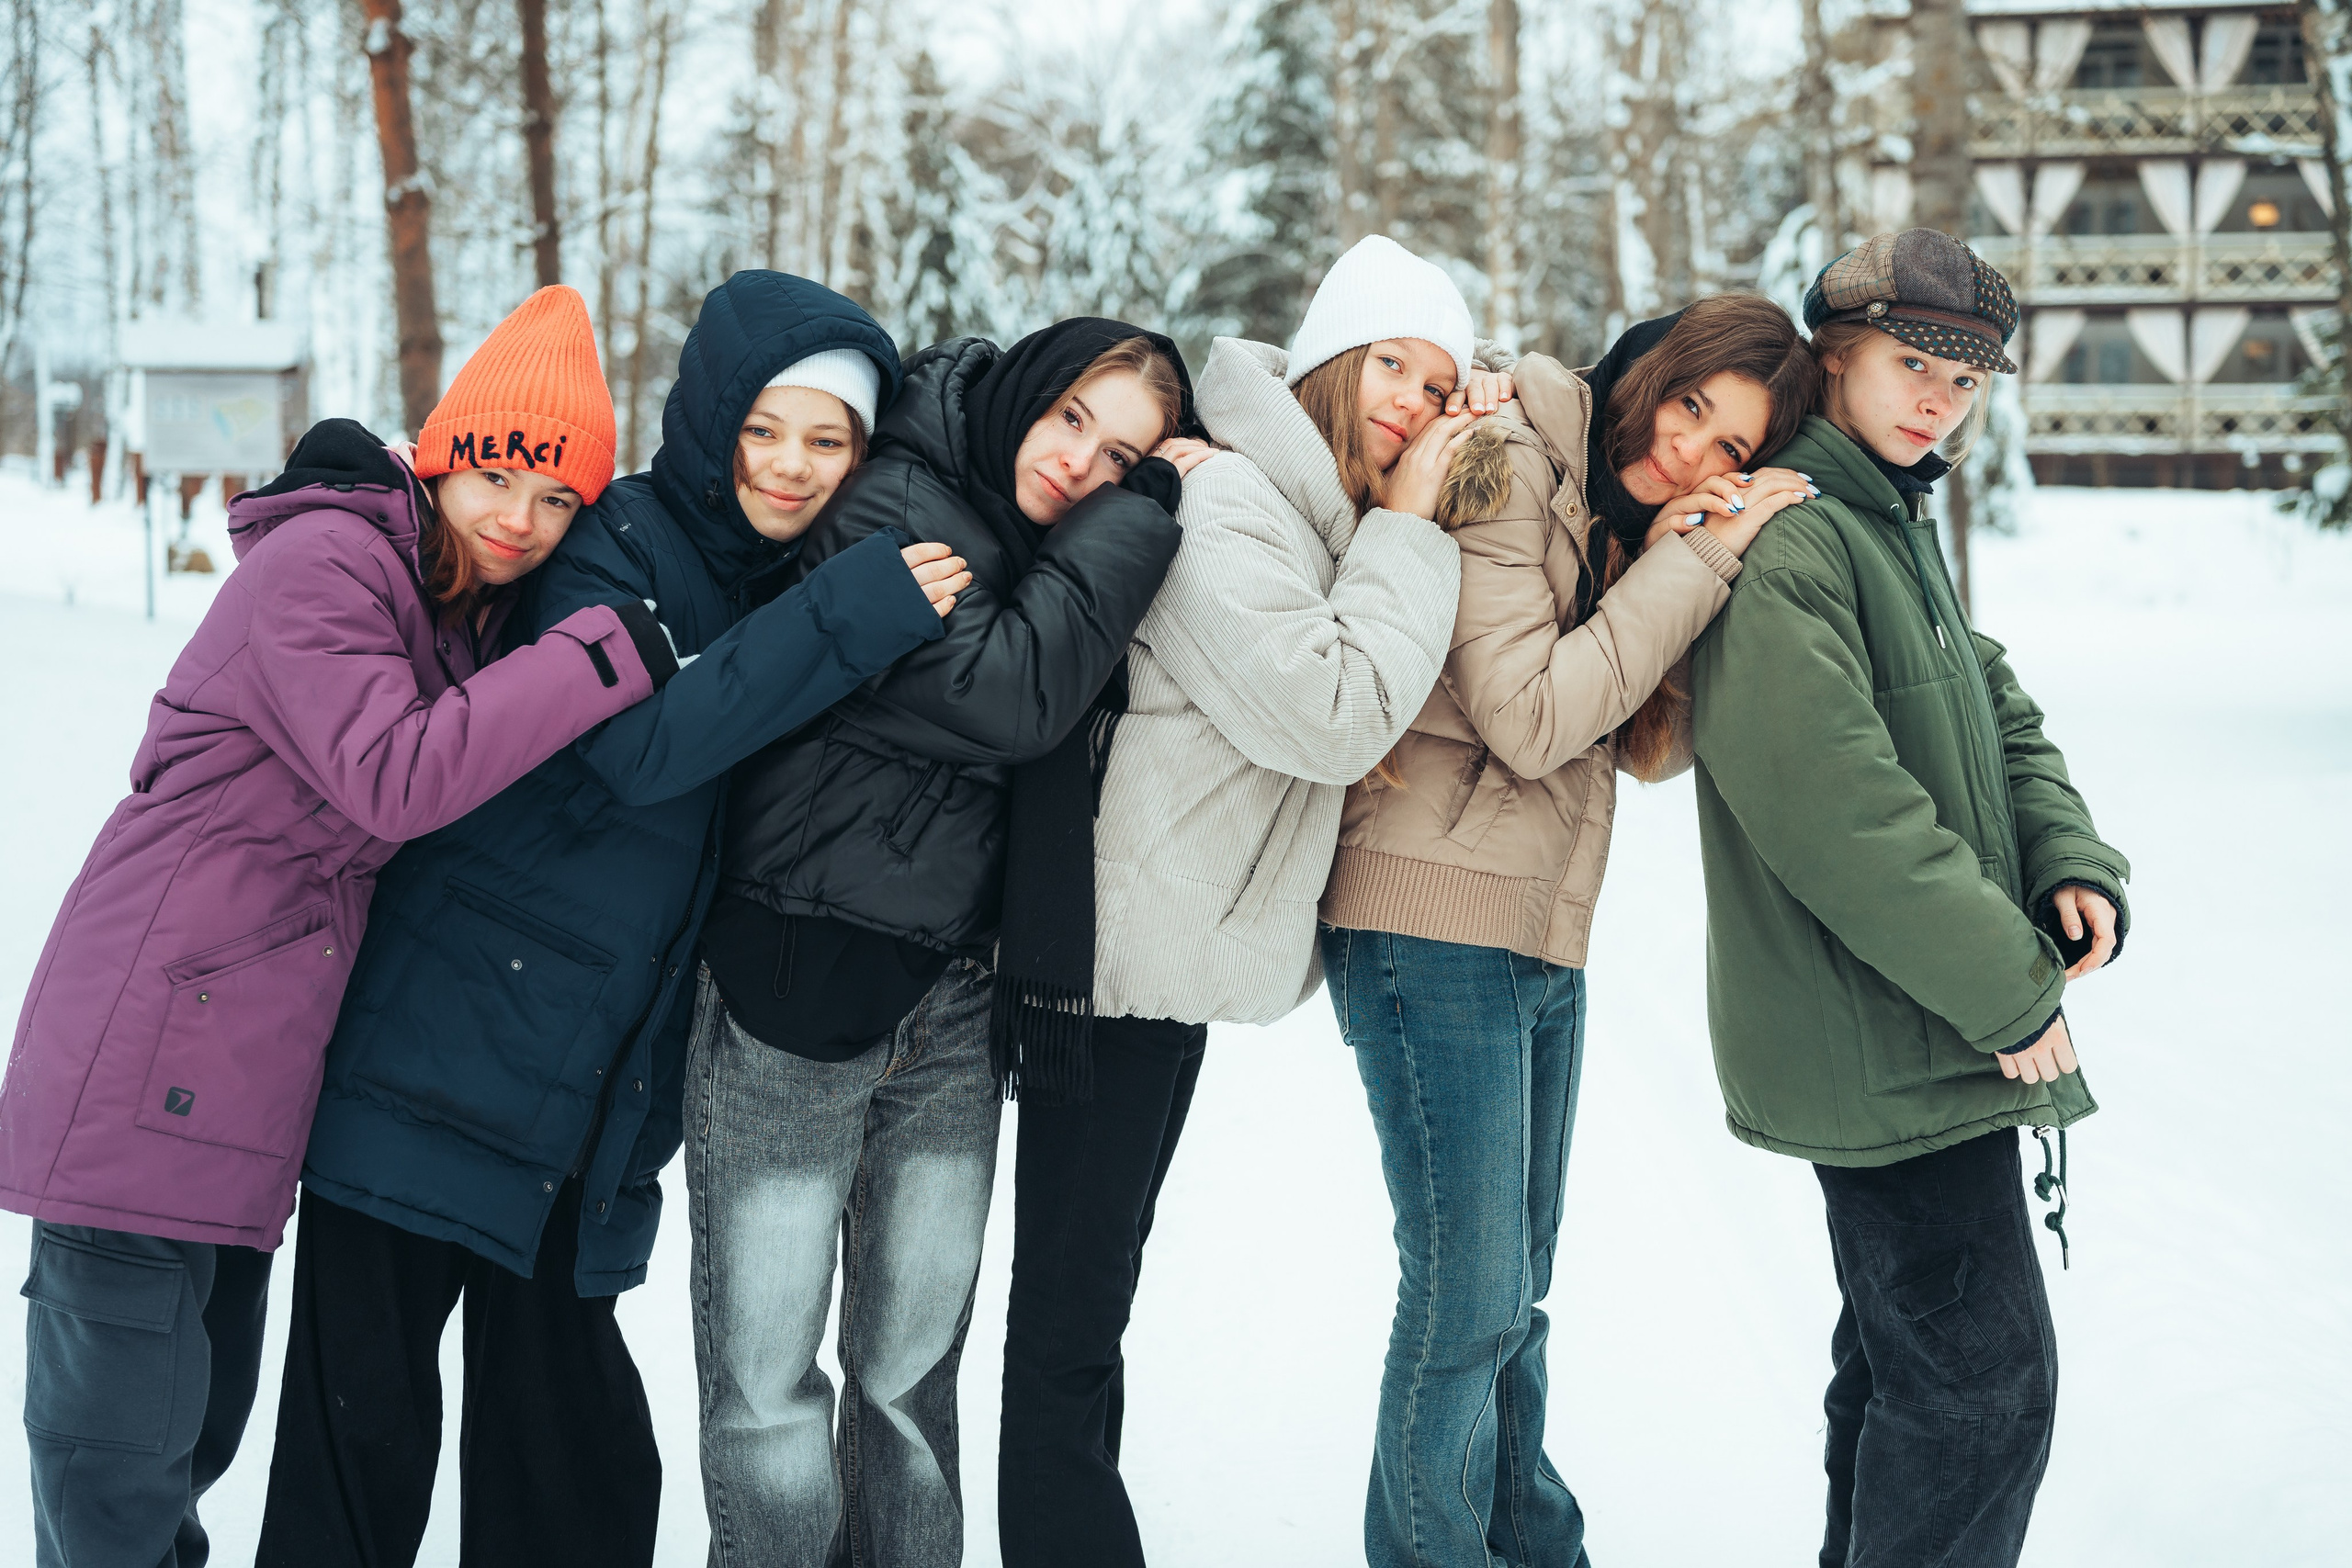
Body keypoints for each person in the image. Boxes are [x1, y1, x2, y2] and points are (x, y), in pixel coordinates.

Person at [254, 272, 963, 1568]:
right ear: (709, 420)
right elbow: (639, 748)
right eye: (765, 429)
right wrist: (845, 615)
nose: (793, 467)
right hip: (435, 1062)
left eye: (830, 440)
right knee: (357, 1460)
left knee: (569, 1473)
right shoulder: (615, 542)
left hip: (582, 1112)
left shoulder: (787, 577)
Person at [1, 285, 674, 1568]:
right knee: (116, 1482)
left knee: (185, 1448)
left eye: (556, 502)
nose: (520, 523)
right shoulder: (328, 565)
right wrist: (595, 658)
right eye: (497, 477)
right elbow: (393, 775)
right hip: (147, 1060)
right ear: (442, 454)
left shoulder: (445, 611)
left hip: (240, 1092)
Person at [992, 235, 1498, 1566]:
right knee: (1067, 1324)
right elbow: (1330, 711)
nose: (1412, 400)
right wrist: (1409, 525)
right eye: (1392, 360)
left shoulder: (1291, 496)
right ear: (1331, 355)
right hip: (1113, 963)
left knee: (1085, 1309)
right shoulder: (1227, 504)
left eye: (1439, 385)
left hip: (1155, 960)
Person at [1315, 293, 1820, 1567]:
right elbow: (1533, 721)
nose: (1690, 454)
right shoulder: (1506, 460)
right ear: (1646, 365)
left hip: (1536, 931)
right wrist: (1692, 562)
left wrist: (1689, 559)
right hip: (1428, 919)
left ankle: (1532, 1549)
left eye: (1731, 455)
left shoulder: (1617, 519)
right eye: (1690, 405)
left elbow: (1642, 743)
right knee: (1466, 1301)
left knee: (1507, 1300)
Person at [694, 319, 1192, 1566]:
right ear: (1022, 393)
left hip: (955, 1011)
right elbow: (1012, 696)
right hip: (790, 991)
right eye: (1072, 419)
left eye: (1124, 455)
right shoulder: (893, 509)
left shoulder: (1032, 549)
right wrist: (1143, 515)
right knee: (766, 1392)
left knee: (909, 1386)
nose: (1085, 464)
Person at [1688, 229, 2130, 1568]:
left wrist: (2065, 856)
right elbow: (1842, 814)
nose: (1942, 396)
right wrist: (2008, 985)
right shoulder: (1797, 540)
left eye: (1970, 377)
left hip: (1916, 1025)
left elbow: (1991, 703)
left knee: (1903, 1378)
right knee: (1983, 1395)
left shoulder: (1886, 514)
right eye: (1912, 361)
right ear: (1835, 356)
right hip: (1892, 1031)